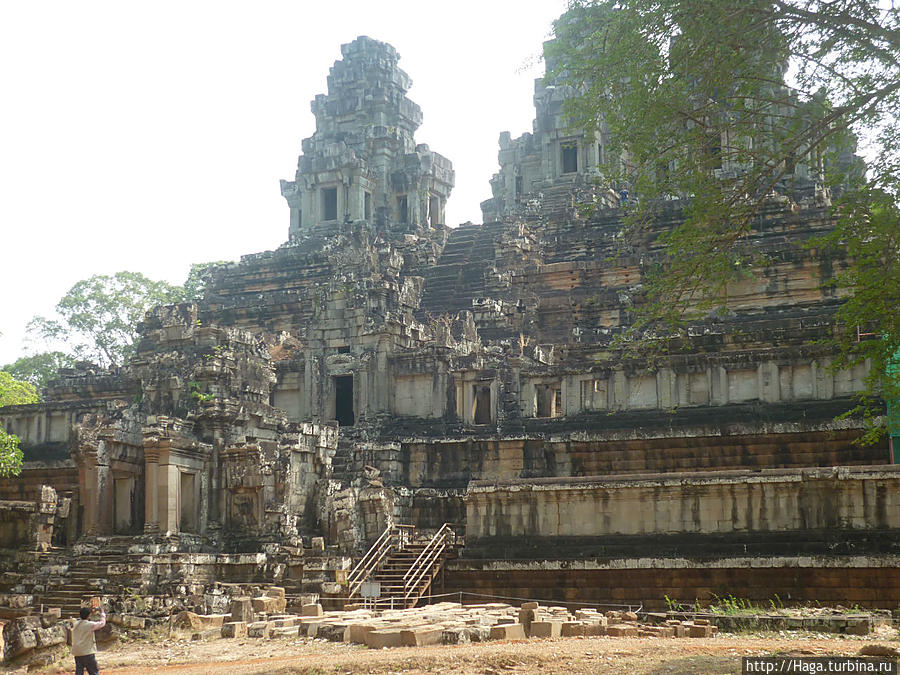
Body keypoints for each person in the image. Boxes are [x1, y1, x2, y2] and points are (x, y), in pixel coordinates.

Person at [72, 601, 106, 675]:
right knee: (93, 672)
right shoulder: (90, 625)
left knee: (79, 671)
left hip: (77, 652)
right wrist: (102, 613)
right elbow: (102, 623)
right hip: (87, 652)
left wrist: (88, 612)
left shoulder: (75, 624)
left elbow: (81, 619)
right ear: (89, 616)